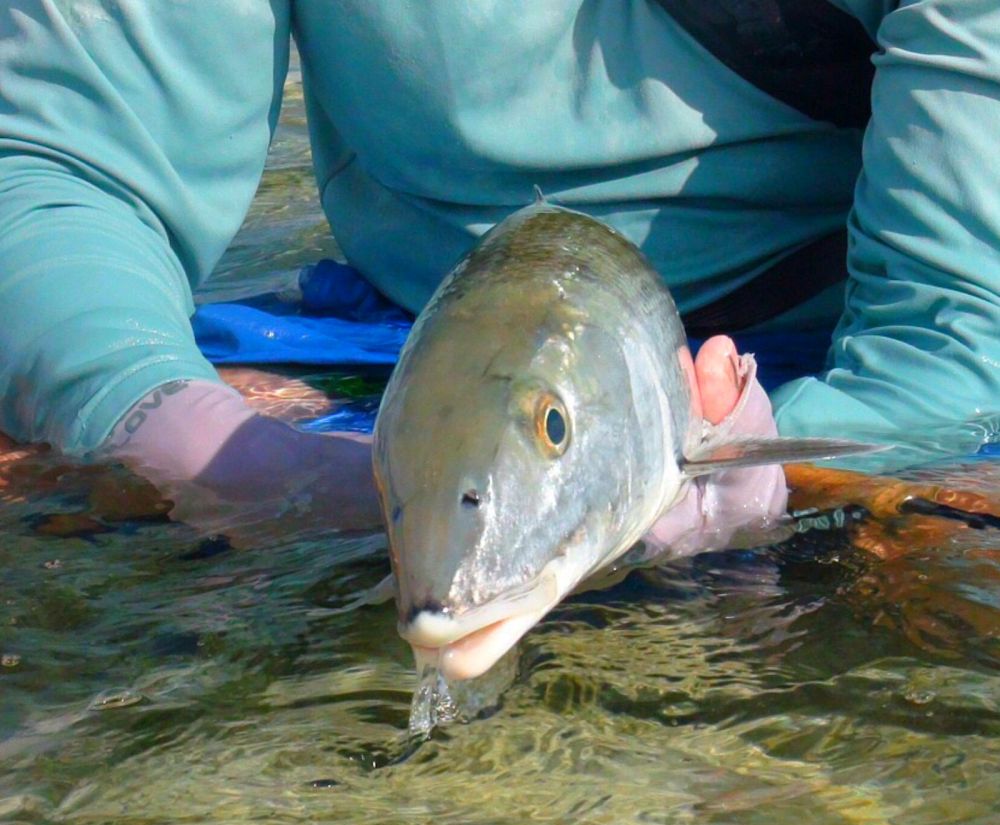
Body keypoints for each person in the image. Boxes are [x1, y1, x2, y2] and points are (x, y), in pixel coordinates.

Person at [0, 1, 997, 543]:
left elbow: (961, 322)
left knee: (944, 550)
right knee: (39, 443)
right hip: (426, 343)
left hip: (827, 375)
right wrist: (195, 443)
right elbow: (61, 163)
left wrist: (774, 479)